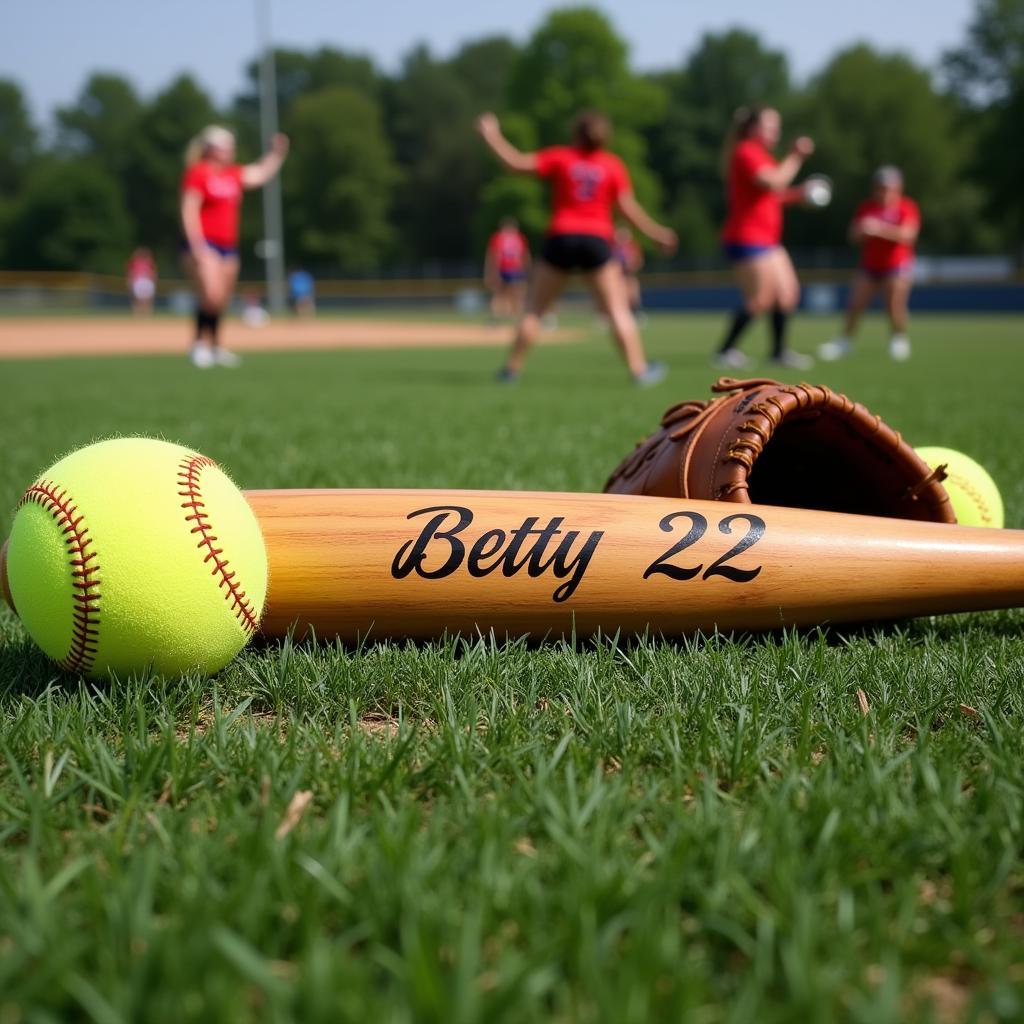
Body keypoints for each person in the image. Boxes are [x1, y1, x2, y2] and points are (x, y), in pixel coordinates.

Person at [476, 110, 676, 386]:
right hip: (596, 241)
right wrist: (656, 234)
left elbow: (515, 164)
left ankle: (511, 370)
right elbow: (628, 209)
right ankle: (638, 370)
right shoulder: (612, 166)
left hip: (562, 237)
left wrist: (491, 134)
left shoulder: (561, 158)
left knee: (535, 309)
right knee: (617, 310)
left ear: (575, 134)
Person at [715, 106, 816, 371]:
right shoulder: (746, 151)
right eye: (770, 125)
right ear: (752, 128)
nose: (776, 130)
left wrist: (799, 195)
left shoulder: (762, 155)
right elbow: (773, 182)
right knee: (761, 298)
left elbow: (773, 194)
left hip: (767, 239)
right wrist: (796, 155)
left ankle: (778, 352)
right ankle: (725, 351)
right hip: (746, 237)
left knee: (787, 294)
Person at [180, 124, 289, 368]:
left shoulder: (232, 174)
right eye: (224, 145)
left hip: (228, 245)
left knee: (221, 299)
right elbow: (189, 210)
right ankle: (198, 345)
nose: (229, 150)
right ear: (210, 149)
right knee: (211, 293)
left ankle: (216, 346)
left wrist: (277, 154)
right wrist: (197, 247)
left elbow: (260, 174)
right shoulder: (198, 173)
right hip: (204, 243)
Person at [819, 166, 920, 362]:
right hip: (870, 264)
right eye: (881, 187)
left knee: (894, 305)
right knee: (855, 303)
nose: (884, 192)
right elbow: (853, 236)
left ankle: (898, 339)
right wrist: (861, 231)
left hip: (897, 265)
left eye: (889, 188)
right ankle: (845, 341)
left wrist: (878, 229)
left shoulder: (906, 207)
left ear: (898, 188)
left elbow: (908, 235)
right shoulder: (867, 207)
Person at [484, 218, 531, 320]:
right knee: (500, 294)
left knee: (515, 295)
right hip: (505, 269)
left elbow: (524, 255)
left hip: (514, 270)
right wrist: (492, 271)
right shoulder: (500, 238)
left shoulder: (516, 238)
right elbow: (494, 256)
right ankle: (496, 318)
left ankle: (513, 318)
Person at [613, 225, 644, 316]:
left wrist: (631, 266)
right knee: (615, 295)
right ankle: (608, 314)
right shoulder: (614, 247)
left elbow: (639, 261)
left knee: (632, 295)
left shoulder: (632, 247)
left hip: (629, 276)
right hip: (616, 276)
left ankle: (635, 313)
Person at [126, 247, 157, 316]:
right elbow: (131, 273)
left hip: (145, 281)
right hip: (139, 281)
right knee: (139, 299)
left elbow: (153, 273)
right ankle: (138, 314)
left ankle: (145, 314)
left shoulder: (149, 261)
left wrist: (130, 281)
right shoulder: (135, 262)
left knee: (147, 299)